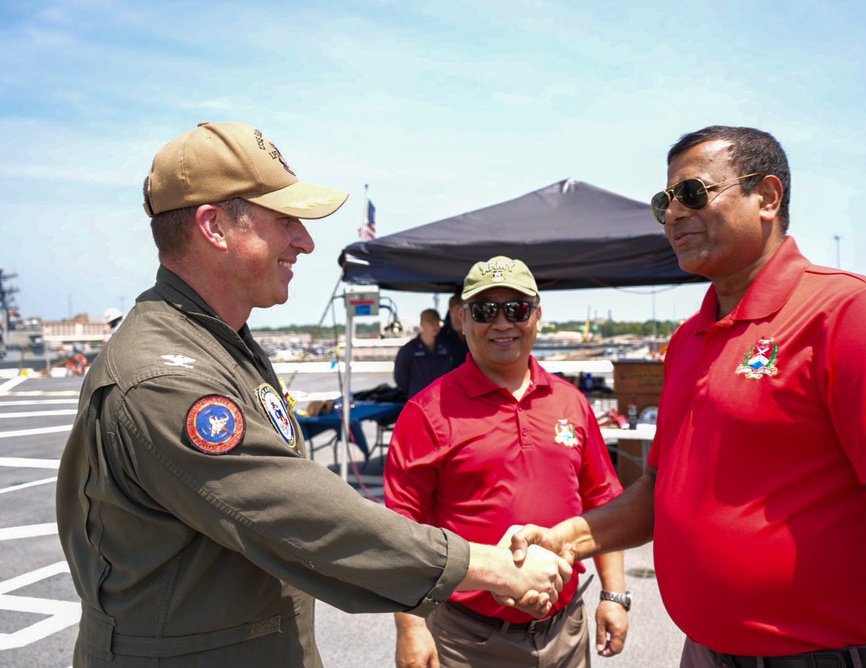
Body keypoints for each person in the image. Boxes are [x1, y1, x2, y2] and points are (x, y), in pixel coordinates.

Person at [55, 121, 571, 668]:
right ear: (214, 227)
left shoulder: (220, 344)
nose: (305, 241)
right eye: (285, 220)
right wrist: (487, 566)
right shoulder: (165, 377)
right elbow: (299, 513)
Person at [509, 126, 866, 668]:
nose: (673, 215)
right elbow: (662, 488)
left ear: (768, 198)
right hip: (707, 652)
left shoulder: (853, 317)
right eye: (664, 202)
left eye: (692, 194)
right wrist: (570, 538)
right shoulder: (689, 339)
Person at [384, 255, 629, 668]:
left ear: (537, 316)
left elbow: (604, 503)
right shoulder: (427, 411)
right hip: (467, 638)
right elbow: (402, 530)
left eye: (516, 309)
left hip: (565, 631)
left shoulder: (570, 401)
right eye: (485, 310)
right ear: (461, 318)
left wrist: (614, 594)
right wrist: (411, 628)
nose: (502, 323)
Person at [394, 308, 453, 399]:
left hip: (442, 399)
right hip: (419, 400)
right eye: (431, 323)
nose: (435, 326)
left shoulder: (446, 347)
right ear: (422, 324)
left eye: (437, 323)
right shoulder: (409, 349)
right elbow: (400, 377)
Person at [439, 291, 469, 369]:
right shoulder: (441, 335)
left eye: (465, 309)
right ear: (451, 310)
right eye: (459, 308)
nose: (463, 312)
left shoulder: (474, 331)